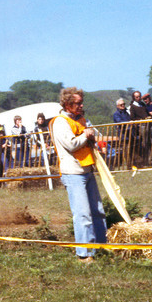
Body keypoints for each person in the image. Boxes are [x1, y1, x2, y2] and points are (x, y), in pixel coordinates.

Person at [49, 87, 106, 263]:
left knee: (98, 211)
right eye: (77, 103)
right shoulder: (60, 122)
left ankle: (102, 246)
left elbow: (91, 138)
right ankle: (85, 253)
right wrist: (86, 134)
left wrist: (92, 137)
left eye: (82, 102)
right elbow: (72, 144)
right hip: (73, 173)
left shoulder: (81, 120)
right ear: (67, 104)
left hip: (87, 170)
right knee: (83, 214)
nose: (81, 105)